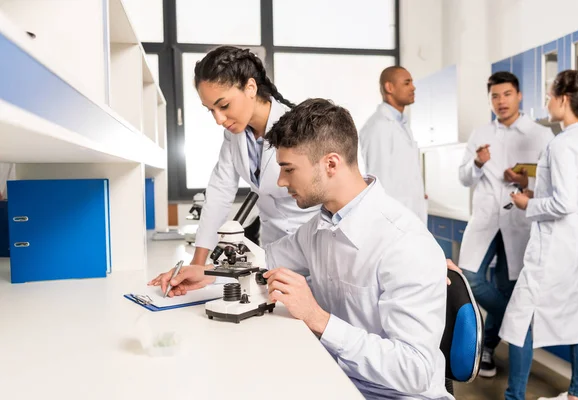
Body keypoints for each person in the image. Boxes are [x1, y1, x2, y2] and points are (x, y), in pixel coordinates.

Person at [151, 99, 453, 400]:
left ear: (331, 164)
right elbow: (264, 260)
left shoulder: (405, 244)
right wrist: (205, 273)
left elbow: (416, 371)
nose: (280, 182)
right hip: (335, 376)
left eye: (288, 169)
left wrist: (317, 318)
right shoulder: (321, 226)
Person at [500, 70, 578, 400]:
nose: (546, 100)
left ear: (564, 99)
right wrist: (533, 187)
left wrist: (527, 202)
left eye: (549, 94)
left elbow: (563, 201)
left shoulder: (560, 144)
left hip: (554, 248)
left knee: (519, 319)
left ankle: (514, 397)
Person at [179, 46, 319, 271]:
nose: (219, 119)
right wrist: (198, 264)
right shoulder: (235, 134)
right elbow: (219, 193)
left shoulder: (299, 127)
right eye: (211, 110)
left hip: (314, 245)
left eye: (224, 106)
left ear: (250, 87)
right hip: (272, 248)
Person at [457, 71, 554, 378]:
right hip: (486, 218)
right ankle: (515, 321)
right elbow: (463, 177)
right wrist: (477, 163)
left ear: (519, 95)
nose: (501, 101)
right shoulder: (480, 133)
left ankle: (487, 350)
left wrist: (528, 180)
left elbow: (553, 183)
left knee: (510, 287)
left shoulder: (540, 135)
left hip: (520, 220)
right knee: (469, 276)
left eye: (507, 94)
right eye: (495, 96)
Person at [360, 66, 427, 224]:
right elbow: (379, 179)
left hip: (409, 214)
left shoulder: (402, 124)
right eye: (407, 83)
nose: (413, 87)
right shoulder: (377, 126)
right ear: (389, 87)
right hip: (394, 219)